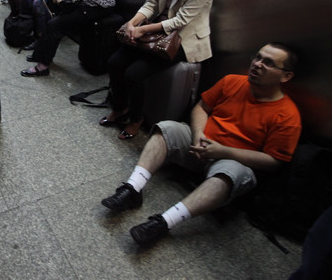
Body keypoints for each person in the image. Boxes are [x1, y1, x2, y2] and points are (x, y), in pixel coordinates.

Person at [101, 42, 302, 246]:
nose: (258, 64)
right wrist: (198, 135)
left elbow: (273, 161)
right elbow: (202, 107)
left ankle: (164, 222)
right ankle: (132, 189)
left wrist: (224, 151)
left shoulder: (287, 116)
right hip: (201, 143)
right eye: (257, 57)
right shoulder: (233, 81)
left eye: (268, 63)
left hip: (232, 160)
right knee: (166, 128)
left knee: (230, 176)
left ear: (286, 76)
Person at [101, 0, 214, 139]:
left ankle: (136, 119)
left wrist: (142, 28)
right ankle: (119, 108)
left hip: (183, 39)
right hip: (158, 32)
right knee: (115, 62)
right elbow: (152, 3)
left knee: (134, 74)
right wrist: (132, 23)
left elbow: (181, 20)